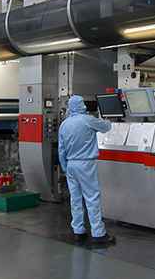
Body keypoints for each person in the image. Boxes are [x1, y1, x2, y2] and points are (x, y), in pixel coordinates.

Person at [58, 95, 116, 246]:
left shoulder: (64, 124)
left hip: (70, 165)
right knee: (92, 198)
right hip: (85, 164)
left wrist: (65, 167)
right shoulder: (88, 120)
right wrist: (109, 120)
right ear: (81, 105)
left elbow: (61, 150)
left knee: (75, 199)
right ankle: (98, 233)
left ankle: (78, 231)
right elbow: (106, 127)